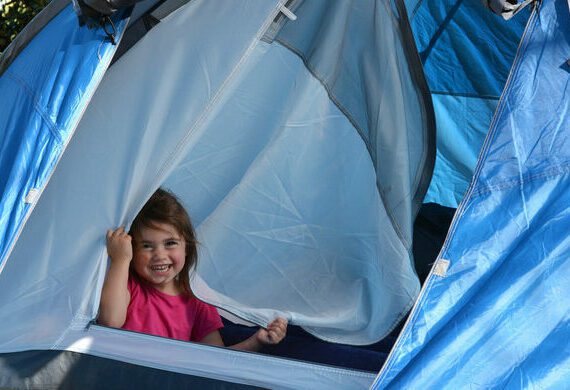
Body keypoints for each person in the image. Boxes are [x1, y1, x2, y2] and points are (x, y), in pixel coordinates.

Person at [98, 188, 287, 350]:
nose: (159, 255)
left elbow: (214, 360)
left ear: (186, 247)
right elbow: (110, 321)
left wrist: (256, 342)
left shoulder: (197, 300)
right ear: (132, 249)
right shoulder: (129, 286)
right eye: (147, 246)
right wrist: (120, 260)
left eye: (170, 243)